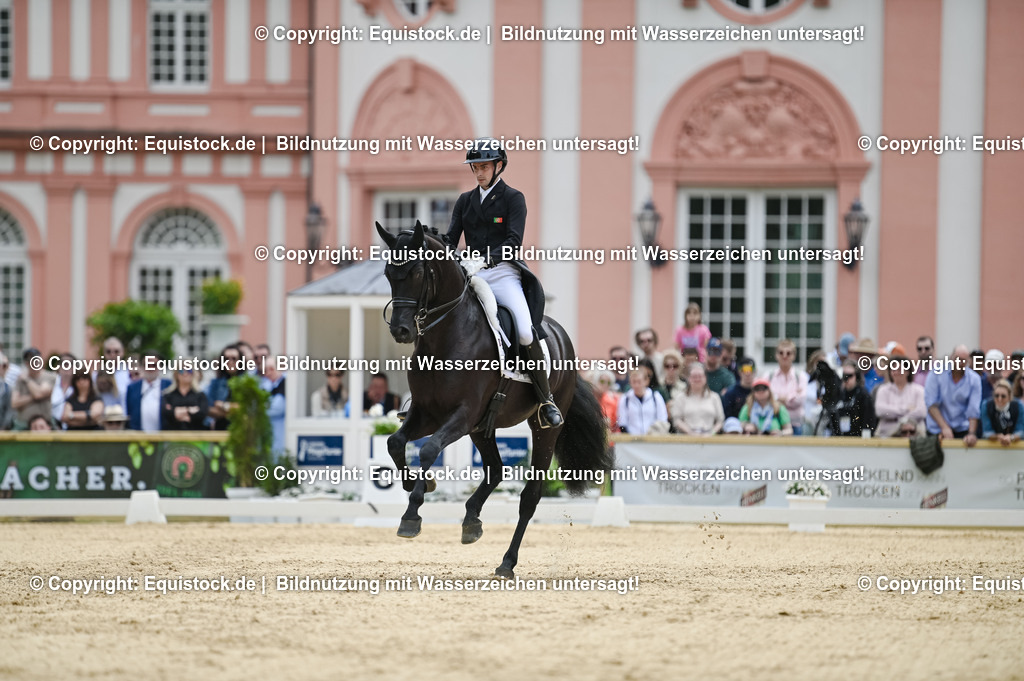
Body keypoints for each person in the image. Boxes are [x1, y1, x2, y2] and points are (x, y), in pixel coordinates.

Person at [444, 138, 561, 428]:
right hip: (472, 275)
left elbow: (513, 242)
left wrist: (485, 259)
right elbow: (450, 238)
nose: (479, 172)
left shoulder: (513, 198)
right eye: (475, 167)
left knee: (523, 330)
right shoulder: (465, 201)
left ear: (498, 166)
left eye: (484, 166)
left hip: (503, 274)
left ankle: (545, 398)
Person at [925, 345, 981, 447]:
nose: (959, 363)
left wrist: (971, 433)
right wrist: (945, 427)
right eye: (957, 359)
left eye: (963, 360)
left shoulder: (974, 379)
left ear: (968, 361)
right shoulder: (936, 373)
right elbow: (931, 404)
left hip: (962, 429)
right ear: (951, 357)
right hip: (937, 428)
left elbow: (973, 409)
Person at [874, 353, 926, 437]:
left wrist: (897, 417)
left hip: (914, 437)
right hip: (887, 436)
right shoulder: (883, 390)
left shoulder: (919, 390)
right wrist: (906, 409)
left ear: (908, 371)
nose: (896, 372)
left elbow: (921, 412)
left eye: (900, 369)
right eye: (893, 369)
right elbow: (880, 411)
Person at [670, 363, 724, 436]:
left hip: (709, 438)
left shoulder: (714, 397)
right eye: (694, 376)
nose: (697, 379)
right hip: (687, 438)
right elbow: (676, 420)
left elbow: (720, 420)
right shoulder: (680, 397)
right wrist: (690, 432)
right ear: (689, 378)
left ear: (705, 378)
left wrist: (712, 433)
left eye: (700, 376)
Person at [827, 360, 877, 437]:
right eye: (844, 375)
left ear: (856, 376)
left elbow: (868, 420)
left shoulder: (863, 395)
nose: (846, 379)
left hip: (857, 438)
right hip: (840, 438)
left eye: (850, 376)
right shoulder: (838, 395)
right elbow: (832, 418)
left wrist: (865, 440)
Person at [769, 339, 808, 435]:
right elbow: (767, 400)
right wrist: (791, 397)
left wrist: (777, 398)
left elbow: (800, 400)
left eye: (788, 353)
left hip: (796, 425)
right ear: (776, 355)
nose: (784, 356)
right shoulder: (768, 376)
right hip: (774, 425)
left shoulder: (801, 376)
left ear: (794, 356)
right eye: (781, 353)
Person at [126, 350, 171, 432]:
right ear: (141, 366)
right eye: (147, 365)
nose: (150, 368)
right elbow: (129, 413)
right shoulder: (132, 388)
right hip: (139, 436)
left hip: (163, 436)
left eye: (154, 365)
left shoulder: (168, 385)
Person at [11, 348, 55, 430]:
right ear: (26, 363)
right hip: (23, 425)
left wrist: (27, 380)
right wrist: (34, 396)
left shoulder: (49, 376)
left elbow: (38, 394)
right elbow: (14, 403)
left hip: (44, 424)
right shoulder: (20, 380)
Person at [617, 369, 668, 435]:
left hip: (653, 439)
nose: (636, 385)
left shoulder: (655, 397)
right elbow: (622, 422)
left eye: (639, 382)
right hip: (632, 440)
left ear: (646, 381)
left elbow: (662, 419)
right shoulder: (625, 399)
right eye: (634, 382)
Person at [207, 344, 243, 430]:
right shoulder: (215, 383)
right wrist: (234, 409)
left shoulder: (246, 382)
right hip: (220, 429)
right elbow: (208, 409)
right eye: (227, 359)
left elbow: (247, 409)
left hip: (241, 430)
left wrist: (224, 406)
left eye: (234, 358)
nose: (230, 361)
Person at [981, 379, 1024, 446]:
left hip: (1014, 445)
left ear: (1009, 397)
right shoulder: (986, 405)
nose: (999, 399)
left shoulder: (1018, 406)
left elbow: (1020, 431)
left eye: (1003, 396)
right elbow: (986, 432)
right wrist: (998, 436)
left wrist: (1011, 437)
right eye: (997, 395)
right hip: (992, 446)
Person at [262, 357, 286, 460]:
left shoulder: (285, 383)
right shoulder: (264, 385)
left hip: (281, 433)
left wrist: (262, 407)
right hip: (268, 434)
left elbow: (278, 408)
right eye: (266, 369)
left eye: (271, 368)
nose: (268, 372)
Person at [51, 353, 76, 430]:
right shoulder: (50, 383)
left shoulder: (79, 386)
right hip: (52, 427)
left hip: (73, 428)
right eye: (63, 363)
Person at [0, 353, 12, 430]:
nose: (6, 369)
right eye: (4, 366)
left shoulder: (7, 388)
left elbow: (9, 411)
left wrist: (3, 428)